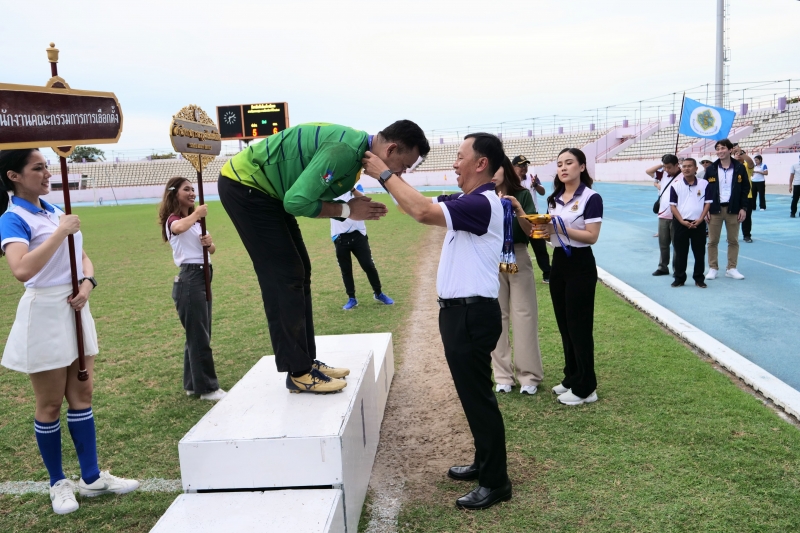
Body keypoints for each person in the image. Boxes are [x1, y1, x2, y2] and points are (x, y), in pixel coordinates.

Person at [218, 121, 428, 394]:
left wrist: (350, 206)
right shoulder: (344, 150)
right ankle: (298, 372)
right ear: (391, 148)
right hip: (246, 187)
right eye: (402, 165)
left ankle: (305, 362)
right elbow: (295, 201)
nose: (399, 172)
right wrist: (346, 211)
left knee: (299, 270)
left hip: (267, 193)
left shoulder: (355, 152)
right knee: (285, 275)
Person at [362, 132, 511, 510]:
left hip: (470, 314)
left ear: (481, 163)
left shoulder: (481, 203)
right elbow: (414, 206)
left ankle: (496, 482)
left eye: (460, 157)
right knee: (473, 394)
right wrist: (381, 188)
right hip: (461, 313)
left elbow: (423, 212)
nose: (454, 164)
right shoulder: (468, 200)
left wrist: (383, 174)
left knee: (478, 398)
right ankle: (484, 461)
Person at [0, 149, 139, 515]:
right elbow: (21, 269)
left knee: (82, 393)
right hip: (44, 310)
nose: (47, 173)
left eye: (47, 166)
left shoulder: (55, 211)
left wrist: (88, 282)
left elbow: (83, 256)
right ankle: (58, 483)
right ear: (14, 176)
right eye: (38, 168)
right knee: (48, 403)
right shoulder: (13, 218)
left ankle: (91, 478)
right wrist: (60, 232)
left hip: (76, 305)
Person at [533, 148, 603, 407]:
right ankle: (572, 376)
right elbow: (552, 232)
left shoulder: (591, 197)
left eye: (569, 163)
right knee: (564, 324)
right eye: (560, 164)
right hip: (559, 261)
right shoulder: (554, 198)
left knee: (579, 326)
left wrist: (558, 227)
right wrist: (542, 230)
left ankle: (587, 387)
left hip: (581, 263)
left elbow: (591, 236)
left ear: (582, 167)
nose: (563, 168)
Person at [159, 177, 226, 401]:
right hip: (191, 277)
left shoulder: (195, 222)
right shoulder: (175, 219)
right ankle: (207, 388)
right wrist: (197, 214)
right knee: (199, 335)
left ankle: (192, 384)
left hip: (204, 274)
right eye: (186, 189)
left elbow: (211, 250)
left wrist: (210, 243)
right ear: (174, 193)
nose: (192, 193)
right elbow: (178, 228)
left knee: (198, 333)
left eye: (193, 189)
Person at [490, 156, 543, 396]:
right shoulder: (485, 196)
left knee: (524, 314)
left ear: (507, 170)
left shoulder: (522, 194)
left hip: (518, 255)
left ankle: (529, 376)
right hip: (492, 259)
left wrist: (518, 209)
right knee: (497, 316)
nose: (491, 172)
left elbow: (531, 231)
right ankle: (502, 376)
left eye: (496, 167)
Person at [331, 183, 394, 310]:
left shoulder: (356, 187)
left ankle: (378, 293)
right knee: (346, 270)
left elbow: (364, 198)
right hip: (340, 236)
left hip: (359, 235)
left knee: (368, 265)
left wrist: (351, 188)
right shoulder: (331, 189)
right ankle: (351, 298)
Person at [703, 138, 750, 280]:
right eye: (717, 148)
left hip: (733, 209)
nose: (720, 151)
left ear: (730, 150)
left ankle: (731, 268)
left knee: (733, 240)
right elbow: (705, 190)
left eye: (723, 148)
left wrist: (743, 208)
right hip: (714, 210)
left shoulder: (739, 167)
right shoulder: (710, 169)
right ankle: (713, 268)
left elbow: (745, 189)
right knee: (712, 241)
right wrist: (705, 210)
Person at [669, 158, 712, 288]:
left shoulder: (704, 184)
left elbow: (707, 203)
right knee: (680, 252)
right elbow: (673, 206)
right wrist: (682, 221)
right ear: (681, 168)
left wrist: (701, 219)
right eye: (684, 166)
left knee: (699, 253)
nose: (686, 168)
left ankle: (699, 278)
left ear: (695, 169)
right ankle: (679, 278)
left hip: (698, 223)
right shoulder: (675, 185)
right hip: (681, 224)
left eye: (689, 166)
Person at [512, 155, 551, 283]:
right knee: (516, 246)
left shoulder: (532, 178)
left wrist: (536, 185)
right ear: (513, 167)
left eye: (525, 165)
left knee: (540, 248)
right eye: (521, 165)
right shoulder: (510, 181)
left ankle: (547, 274)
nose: (524, 168)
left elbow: (542, 192)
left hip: (533, 217)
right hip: (515, 218)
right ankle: (512, 272)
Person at [646, 155, 682, 276]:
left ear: (677, 165)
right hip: (663, 215)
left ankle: (677, 268)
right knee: (663, 243)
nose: (667, 170)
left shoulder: (684, 177)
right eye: (665, 167)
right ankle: (663, 267)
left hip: (677, 216)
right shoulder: (663, 174)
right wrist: (662, 165)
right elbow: (648, 171)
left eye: (669, 167)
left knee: (677, 244)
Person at [733, 144, 755, 243]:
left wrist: (741, 152)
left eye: (740, 154)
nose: (738, 155)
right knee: (732, 217)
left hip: (747, 196)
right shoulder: (730, 167)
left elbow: (750, 162)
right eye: (735, 154)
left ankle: (747, 235)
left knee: (746, 217)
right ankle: (732, 235)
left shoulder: (746, 166)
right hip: (733, 196)